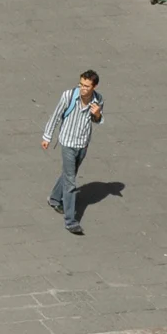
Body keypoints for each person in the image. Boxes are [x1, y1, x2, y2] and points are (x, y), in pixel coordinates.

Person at [42, 70, 103, 235]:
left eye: (87, 86)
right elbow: (55, 116)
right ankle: (71, 221)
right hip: (67, 143)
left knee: (69, 173)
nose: (83, 88)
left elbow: (96, 120)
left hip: (82, 144)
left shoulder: (98, 99)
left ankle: (54, 198)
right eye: (81, 84)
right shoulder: (69, 96)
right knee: (71, 182)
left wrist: (97, 114)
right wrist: (47, 137)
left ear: (94, 86)